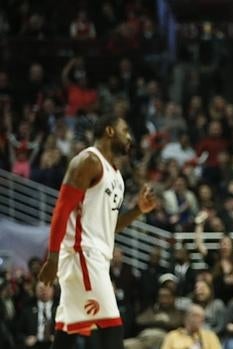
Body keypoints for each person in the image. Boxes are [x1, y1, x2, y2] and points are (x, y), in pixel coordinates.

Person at [38, 115, 157, 349]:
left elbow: (108, 228)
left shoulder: (117, 177)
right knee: (112, 328)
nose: (130, 137)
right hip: (82, 254)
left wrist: (138, 211)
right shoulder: (88, 161)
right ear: (110, 131)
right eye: (126, 130)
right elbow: (61, 210)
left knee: (65, 335)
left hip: (96, 256)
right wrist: (52, 257)